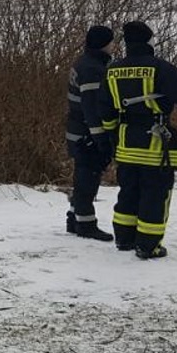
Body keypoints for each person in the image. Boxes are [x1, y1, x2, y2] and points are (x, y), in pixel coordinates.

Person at [99, 20, 177, 260]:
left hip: (125, 144)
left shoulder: (112, 70)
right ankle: (148, 245)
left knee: (128, 193)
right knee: (155, 195)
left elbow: (105, 109)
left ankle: (124, 238)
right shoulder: (158, 67)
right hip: (154, 145)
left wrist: (114, 137)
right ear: (149, 40)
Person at [64, 25, 116, 242]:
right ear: (105, 44)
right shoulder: (93, 69)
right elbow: (92, 108)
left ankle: (75, 218)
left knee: (83, 175)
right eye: (112, 42)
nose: (114, 45)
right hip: (86, 134)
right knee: (87, 177)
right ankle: (85, 224)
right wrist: (101, 138)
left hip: (77, 130)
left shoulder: (85, 62)